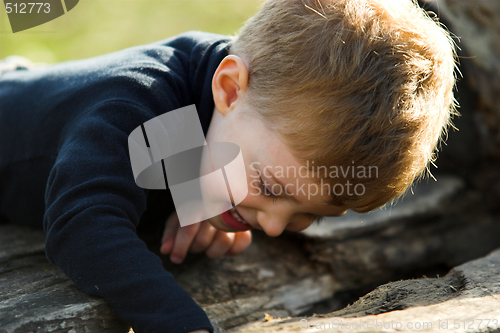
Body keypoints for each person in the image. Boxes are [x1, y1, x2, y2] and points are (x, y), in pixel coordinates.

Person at [0, 0, 457, 332]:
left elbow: (189, 124)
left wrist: (195, 194)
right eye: (273, 188)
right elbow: (82, 225)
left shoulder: (245, 99)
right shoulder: (130, 103)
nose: (275, 227)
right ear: (230, 89)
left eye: (310, 213)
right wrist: (181, 323)